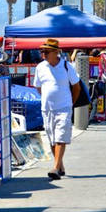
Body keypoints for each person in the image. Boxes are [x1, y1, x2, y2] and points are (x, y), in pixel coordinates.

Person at [33, 38, 81, 180]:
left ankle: (54, 168)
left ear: (56, 52)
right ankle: (60, 165)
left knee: (60, 137)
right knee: (52, 139)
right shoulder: (40, 67)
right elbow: (38, 87)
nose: (43, 54)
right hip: (47, 108)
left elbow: (76, 87)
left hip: (64, 107)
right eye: (42, 51)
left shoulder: (66, 66)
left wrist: (70, 103)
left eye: (46, 52)